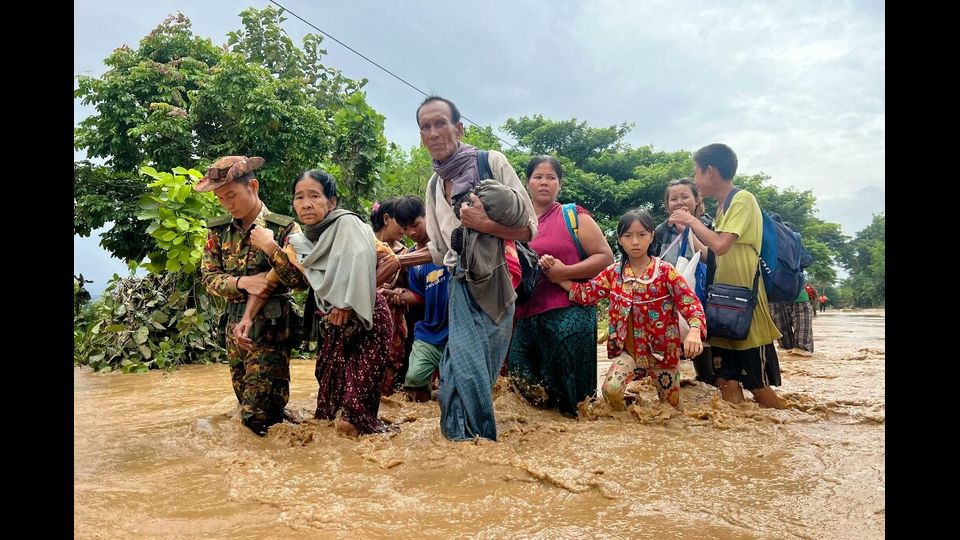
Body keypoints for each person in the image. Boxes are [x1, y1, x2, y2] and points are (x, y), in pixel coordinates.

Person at [417, 95, 537, 441]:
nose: (434, 132)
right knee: (456, 369)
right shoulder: (434, 185)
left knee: (475, 370)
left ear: (459, 128)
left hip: (498, 279)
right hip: (459, 283)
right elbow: (440, 252)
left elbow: (530, 229)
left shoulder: (491, 162)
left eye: (441, 123)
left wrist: (485, 225)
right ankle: (465, 447)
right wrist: (395, 260)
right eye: (426, 126)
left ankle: (479, 442)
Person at [549, 209, 705, 409]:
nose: (635, 242)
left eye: (641, 235)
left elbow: (691, 304)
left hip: (663, 355)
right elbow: (586, 293)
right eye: (628, 236)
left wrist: (694, 331)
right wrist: (556, 274)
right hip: (628, 353)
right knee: (610, 390)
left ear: (651, 236)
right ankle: (624, 419)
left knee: (671, 410)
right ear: (620, 240)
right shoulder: (614, 273)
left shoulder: (666, 272)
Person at [197, 155, 305, 436]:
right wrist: (244, 282)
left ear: (253, 186)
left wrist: (272, 250)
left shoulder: (284, 228)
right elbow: (208, 277)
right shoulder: (218, 232)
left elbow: (300, 281)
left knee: (257, 416)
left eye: (231, 195)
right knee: (249, 405)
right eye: (221, 198)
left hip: (271, 328)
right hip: (234, 327)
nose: (227, 203)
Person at [670, 143, 784, 408]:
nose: (695, 180)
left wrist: (692, 222)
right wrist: (687, 234)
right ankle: (739, 438)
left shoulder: (743, 199)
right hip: (721, 306)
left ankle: (786, 428)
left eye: (696, 173)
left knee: (757, 384)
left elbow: (721, 245)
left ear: (709, 171)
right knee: (726, 381)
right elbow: (714, 256)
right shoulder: (722, 207)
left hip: (746, 305)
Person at [282, 169, 395, 436]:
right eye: (299, 197)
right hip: (332, 323)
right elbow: (294, 280)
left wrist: (346, 304)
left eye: (314, 196)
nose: (306, 203)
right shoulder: (303, 240)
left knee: (352, 415)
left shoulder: (348, 225)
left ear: (331, 202)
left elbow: (388, 261)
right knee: (328, 409)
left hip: (367, 320)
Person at [506, 156, 614, 416]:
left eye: (551, 178)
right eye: (538, 177)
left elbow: (605, 258)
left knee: (574, 403)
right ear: (526, 182)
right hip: (525, 317)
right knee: (522, 384)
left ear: (559, 184)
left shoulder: (573, 215)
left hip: (570, 314)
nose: (544, 182)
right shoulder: (514, 224)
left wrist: (565, 272)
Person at [381, 195, 451, 403]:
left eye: (415, 225)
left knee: (454, 385)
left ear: (428, 215)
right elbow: (420, 296)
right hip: (430, 330)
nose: (411, 233)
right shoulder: (412, 257)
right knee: (414, 380)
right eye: (405, 228)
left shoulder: (449, 242)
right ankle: (425, 419)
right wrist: (396, 295)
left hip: (458, 328)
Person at [650, 178, 717, 386]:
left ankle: (707, 387)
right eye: (674, 199)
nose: (679, 202)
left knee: (705, 360)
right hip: (667, 299)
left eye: (685, 197)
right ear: (667, 204)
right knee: (666, 363)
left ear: (697, 200)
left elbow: (713, 259)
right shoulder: (660, 231)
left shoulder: (708, 225)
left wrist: (687, 229)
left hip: (701, 296)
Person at [370, 198, 410, 396]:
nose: (406, 227)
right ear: (386, 219)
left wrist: (397, 294)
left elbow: (409, 289)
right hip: (365, 316)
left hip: (394, 320)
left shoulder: (407, 254)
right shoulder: (365, 243)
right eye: (401, 222)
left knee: (390, 365)